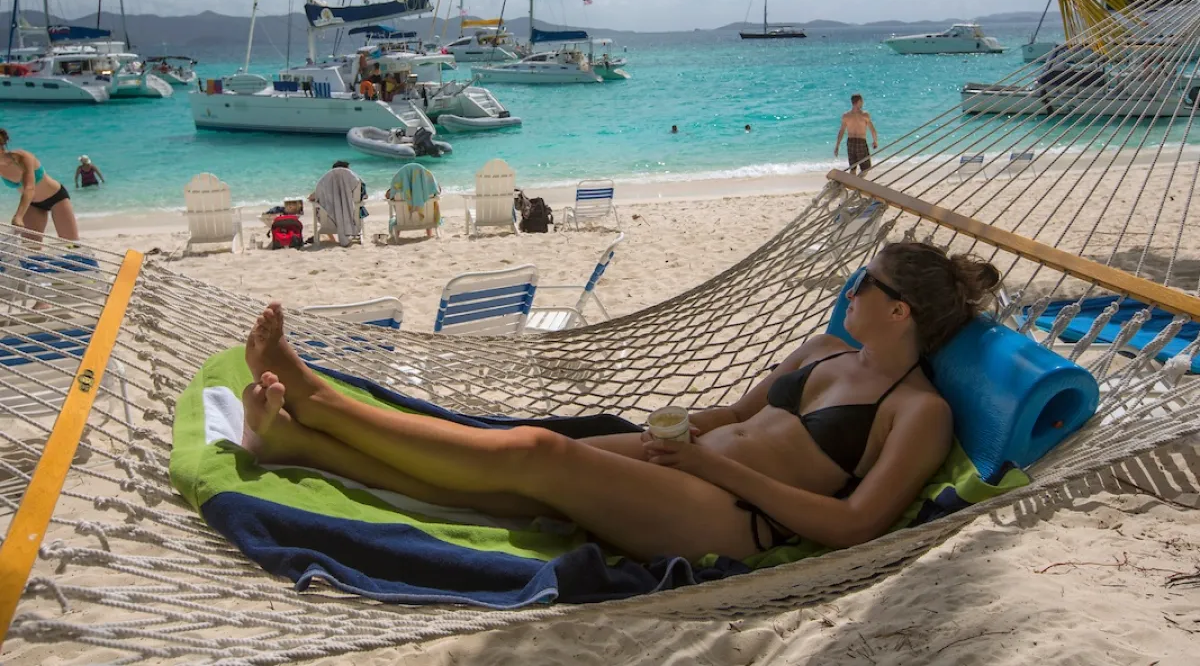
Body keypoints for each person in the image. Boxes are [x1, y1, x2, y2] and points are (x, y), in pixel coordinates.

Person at [236, 242, 999, 560]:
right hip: (688, 464)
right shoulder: (824, 348)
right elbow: (736, 418)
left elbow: (856, 525)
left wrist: (713, 467)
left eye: (867, 283)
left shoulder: (916, 410)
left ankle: (320, 403)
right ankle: (299, 444)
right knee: (510, 473)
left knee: (537, 453)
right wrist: (683, 433)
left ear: (901, 312)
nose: (852, 289)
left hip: (737, 519)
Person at [0, 128, 80, 240]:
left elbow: (29, 188)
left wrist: (18, 216)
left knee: (71, 245)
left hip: (56, 198)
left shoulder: (22, 157)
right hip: (33, 205)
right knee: (30, 250)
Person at [835, 94, 879, 176]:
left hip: (850, 142)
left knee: (853, 167)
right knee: (866, 168)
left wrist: (837, 146)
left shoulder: (846, 116)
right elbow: (872, 130)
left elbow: (841, 131)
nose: (862, 103)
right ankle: (859, 181)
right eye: (862, 101)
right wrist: (875, 141)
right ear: (858, 102)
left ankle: (854, 183)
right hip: (861, 141)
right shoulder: (864, 115)